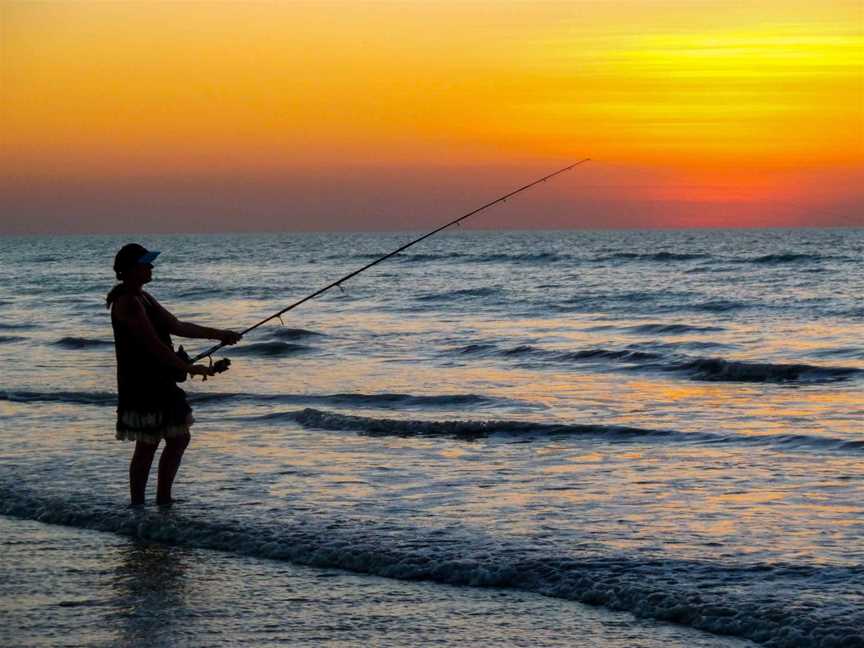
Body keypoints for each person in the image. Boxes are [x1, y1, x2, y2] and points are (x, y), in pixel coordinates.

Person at [106, 243, 241, 506]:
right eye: (146, 263)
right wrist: (190, 368)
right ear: (133, 269)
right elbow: (153, 346)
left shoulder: (143, 297)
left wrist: (220, 333)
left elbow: (177, 326)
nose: (151, 267)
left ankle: (162, 499)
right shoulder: (128, 302)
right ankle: (139, 505)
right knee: (148, 444)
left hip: (160, 379)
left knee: (178, 438)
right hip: (142, 383)